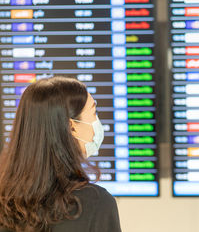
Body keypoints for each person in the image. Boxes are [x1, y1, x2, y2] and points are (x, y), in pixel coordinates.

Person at [0, 77, 121, 232]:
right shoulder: (96, 204)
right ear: (71, 127)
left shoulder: (6, 203)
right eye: (93, 112)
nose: (97, 121)